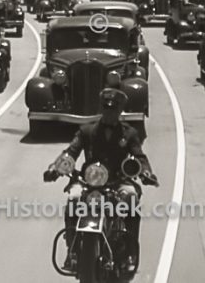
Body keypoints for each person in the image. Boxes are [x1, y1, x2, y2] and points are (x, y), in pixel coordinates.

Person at [43, 88, 158, 273]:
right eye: (106, 108)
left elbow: (140, 156)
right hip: (89, 180)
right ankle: (72, 251)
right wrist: (55, 168)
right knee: (73, 199)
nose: (110, 112)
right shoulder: (86, 130)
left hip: (118, 180)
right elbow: (71, 151)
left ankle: (130, 251)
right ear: (101, 108)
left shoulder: (129, 134)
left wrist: (145, 172)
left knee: (130, 199)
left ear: (121, 110)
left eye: (114, 109)